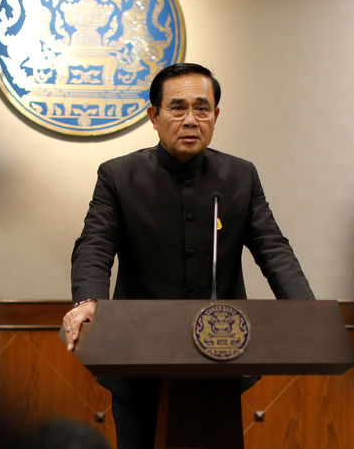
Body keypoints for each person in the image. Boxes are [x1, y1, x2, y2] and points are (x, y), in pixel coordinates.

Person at [62, 63, 314, 449]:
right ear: (154, 116)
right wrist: (87, 300)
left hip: (221, 353)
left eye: (202, 108)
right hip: (137, 354)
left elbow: (272, 247)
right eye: (178, 108)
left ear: (216, 115)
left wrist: (304, 309)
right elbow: (95, 244)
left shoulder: (240, 176)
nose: (191, 119)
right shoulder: (118, 176)